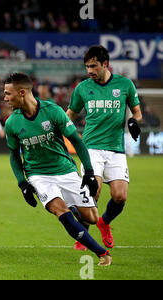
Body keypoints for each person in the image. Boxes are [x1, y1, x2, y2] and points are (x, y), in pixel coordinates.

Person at [3, 72, 111, 266]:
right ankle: (101, 252)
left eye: (7, 93)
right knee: (60, 211)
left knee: (92, 218)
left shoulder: (53, 111)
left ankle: (73, 209)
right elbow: (13, 155)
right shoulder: (12, 123)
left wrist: (88, 172)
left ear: (21, 92)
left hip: (65, 170)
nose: (5, 98)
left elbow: (76, 141)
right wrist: (22, 183)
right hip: (38, 175)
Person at [66, 45, 142, 251]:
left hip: (116, 148)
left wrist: (134, 122)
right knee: (94, 190)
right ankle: (84, 234)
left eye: (93, 66)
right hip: (91, 147)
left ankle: (104, 222)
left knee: (120, 197)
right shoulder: (82, 88)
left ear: (105, 64)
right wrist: (59, 131)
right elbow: (70, 114)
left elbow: (137, 112)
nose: (89, 70)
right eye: (87, 66)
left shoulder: (125, 85)